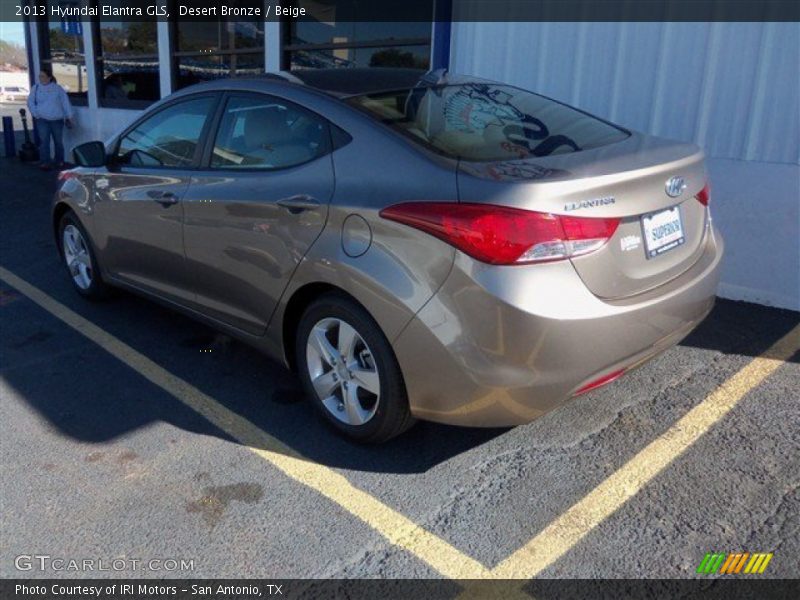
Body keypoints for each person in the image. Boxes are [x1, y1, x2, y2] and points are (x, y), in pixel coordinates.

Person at [27, 67, 74, 170]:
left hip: (57, 120)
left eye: (43, 76)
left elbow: (65, 103)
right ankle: (45, 162)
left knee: (58, 142)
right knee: (44, 142)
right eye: (40, 76)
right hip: (42, 119)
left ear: (49, 78)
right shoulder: (36, 88)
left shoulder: (58, 89)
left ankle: (59, 161)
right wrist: (36, 114)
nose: (41, 78)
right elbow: (30, 102)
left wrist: (69, 117)